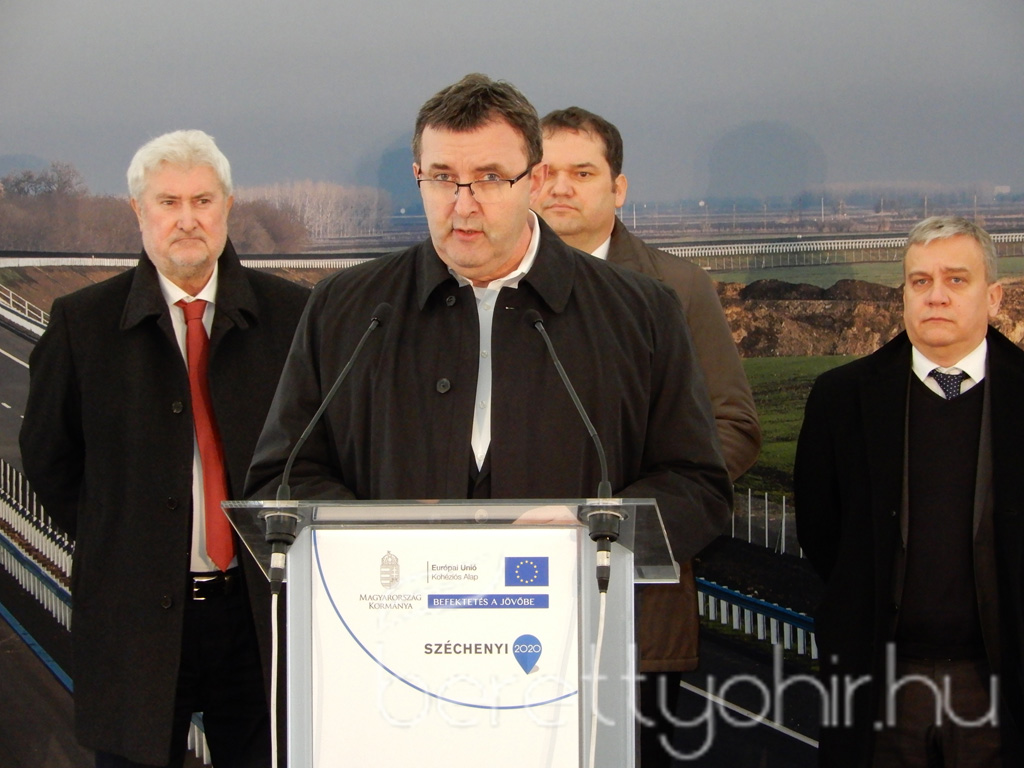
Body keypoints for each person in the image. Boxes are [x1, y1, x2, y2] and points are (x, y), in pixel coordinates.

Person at [245, 74, 732, 745]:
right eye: (443, 178)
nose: (463, 204)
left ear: (534, 180)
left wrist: (598, 528)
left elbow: (698, 486)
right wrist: (377, 530)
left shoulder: (639, 313)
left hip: (575, 666)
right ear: (417, 178)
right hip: (391, 665)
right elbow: (280, 478)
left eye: (490, 179)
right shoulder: (347, 310)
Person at [20, 130, 309, 768]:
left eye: (202, 201)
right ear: (138, 210)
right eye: (168, 202)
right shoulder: (81, 324)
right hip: (134, 619)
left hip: (261, 614)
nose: (187, 219)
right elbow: (48, 460)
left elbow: (326, 450)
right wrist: (124, 540)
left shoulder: (295, 316)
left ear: (228, 205)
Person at [537, 106, 761, 764]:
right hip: (510, 591)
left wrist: (630, 517)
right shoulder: (484, 286)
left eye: (583, 172)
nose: (560, 187)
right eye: (545, 171)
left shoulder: (677, 288)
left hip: (638, 599)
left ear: (618, 188)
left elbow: (734, 425)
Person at [794, 216, 1024, 767]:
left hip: (1003, 687)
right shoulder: (841, 399)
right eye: (920, 281)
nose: (936, 295)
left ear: (994, 296)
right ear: (904, 294)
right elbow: (822, 532)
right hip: (881, 684)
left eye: (956, 279)